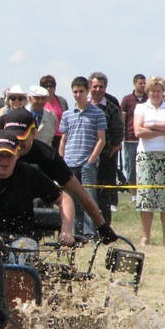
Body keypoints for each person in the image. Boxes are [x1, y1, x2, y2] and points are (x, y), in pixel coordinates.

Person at [0, 108, 118, 244]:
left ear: (34, 133)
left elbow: (78, 192)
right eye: (11, 139)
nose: (16, 145)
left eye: (20, 139)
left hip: (28, 208)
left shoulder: (47, 157)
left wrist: (101, 225)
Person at [0, 130, 74, 243]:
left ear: (17, 154)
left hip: (22, 240)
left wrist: (66, 231)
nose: (4, 161)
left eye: (9, 155)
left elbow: (63, 199)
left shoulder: (30, 174)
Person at [133, 76, 165, 246]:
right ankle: (145, 236)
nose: (155, 93)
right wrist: (163, 128)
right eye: (152, 90)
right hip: (146, 157)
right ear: (148, 91)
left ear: (163, 92)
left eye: (158, 90)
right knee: (147, 198)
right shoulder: (140, 107)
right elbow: (138, 131)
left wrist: (151, 127)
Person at [59, 76, 106, 237]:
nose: (78, 95)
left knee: (89, 200)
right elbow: (63, 139)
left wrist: (91, 160)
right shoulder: (67, 114)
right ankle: (76, 233)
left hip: (87, 164)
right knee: (72, 201)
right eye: (75, 92)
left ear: (87, 92)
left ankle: (90, 234)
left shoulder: (97, 113)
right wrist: (61, 161)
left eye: (81, 91)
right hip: (69, 163)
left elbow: (101, 139)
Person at [89, 72, 124, 224]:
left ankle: (105, 227)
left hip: (105, 158)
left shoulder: (111, 108)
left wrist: (112, 149)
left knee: (103, 194)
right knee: (86, 193)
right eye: (95, 86)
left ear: (105, 88)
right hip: (85, 156)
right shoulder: (83, 105)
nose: (97, 89)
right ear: (90, 87)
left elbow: (118, 131)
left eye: (101, 87)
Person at [120, 74, 147, 202]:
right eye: (140, 83)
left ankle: (144, 192)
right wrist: (121, 137)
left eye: (144, 83)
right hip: (130, 138)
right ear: (134, 83)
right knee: (131, 167)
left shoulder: (149, 99)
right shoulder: (127, 99)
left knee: (145, 166)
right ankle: (133, 195)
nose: (142, 85)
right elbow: (122, 120)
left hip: (145, 138)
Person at [39, 74, 69, 152]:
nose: (49, 88)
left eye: (51, 86)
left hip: (61, 137)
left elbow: (67, 118)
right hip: (46, 137)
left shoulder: (62, 101)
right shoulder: (40, 102)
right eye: (46, 86)